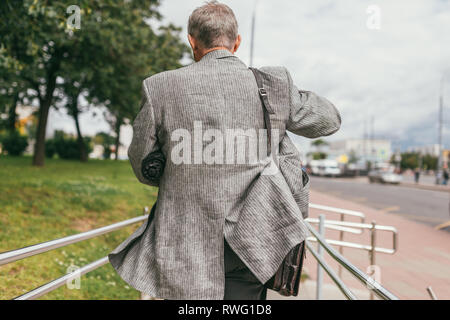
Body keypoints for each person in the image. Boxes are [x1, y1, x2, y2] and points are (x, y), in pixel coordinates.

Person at [109, 1, 341, 300]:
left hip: (184, 242)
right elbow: (329, 121)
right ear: (237, 42)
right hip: (255, 238)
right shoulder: (273, 85)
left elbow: (143, 165)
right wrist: (286, 95)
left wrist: (182, 172)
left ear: (191, 41)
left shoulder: (159, 88)